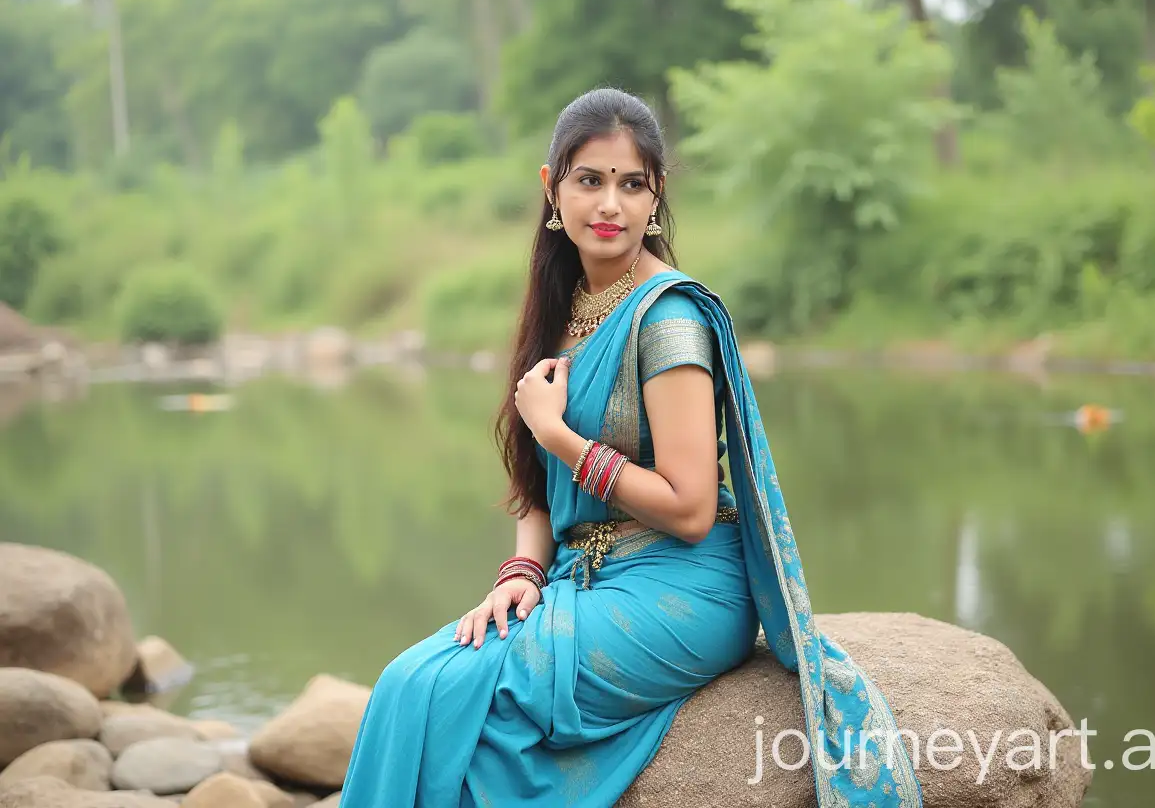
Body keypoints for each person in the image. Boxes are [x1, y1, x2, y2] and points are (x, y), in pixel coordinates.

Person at [337, 88, 921, 808]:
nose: (609, 204)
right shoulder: (563, 311)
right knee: (406, 684)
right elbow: (537, 487)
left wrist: (559, 433)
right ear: (552, 189)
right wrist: (521, 571)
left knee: (470, 705)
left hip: (684, 587)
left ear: (657, 198)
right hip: (582, 581)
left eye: (631, 183)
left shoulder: (669, 317)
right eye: (590, 180)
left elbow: (690, 506)